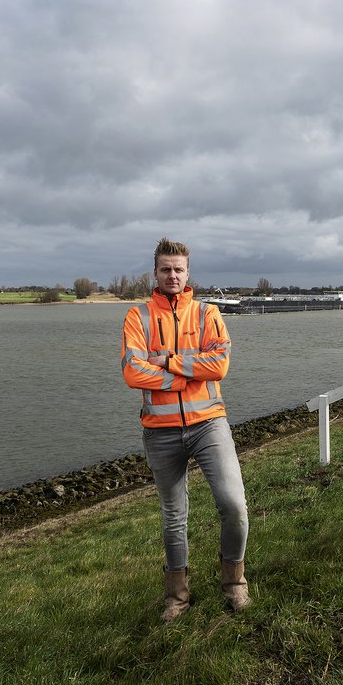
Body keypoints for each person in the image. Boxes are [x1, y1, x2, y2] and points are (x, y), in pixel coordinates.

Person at [121, 237, 250, 622]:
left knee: (234, 506)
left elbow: (220, 366)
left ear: (188, 273)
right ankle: (176, 597)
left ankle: (234, 583)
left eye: (179, 269)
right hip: (160, 431)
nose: (172, 275)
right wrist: (186, 376)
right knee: (174, 516)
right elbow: (132, 370)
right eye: (165, 269)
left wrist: (169, 361)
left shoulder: (209, 314)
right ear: (155, 273)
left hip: (209, 423)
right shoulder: (137, 317)